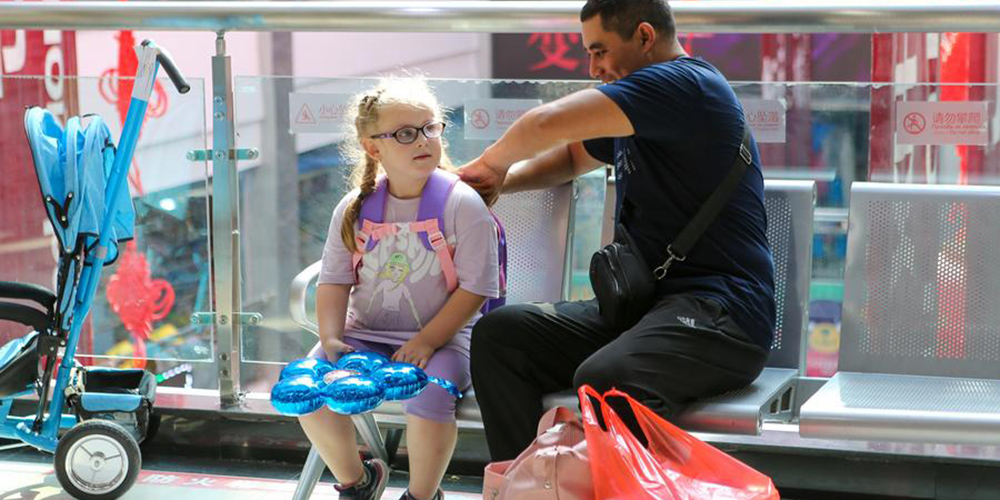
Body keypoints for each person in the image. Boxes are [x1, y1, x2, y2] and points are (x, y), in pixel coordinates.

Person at [460, 0, 775, 461]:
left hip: (723, 316)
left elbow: (545, 124)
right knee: (500, 337)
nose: (594, 68)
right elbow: (573, 156)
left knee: (609, 379)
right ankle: (526, 484)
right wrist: (499, 183)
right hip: (643, 308)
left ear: (645, 37)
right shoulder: (643, 107)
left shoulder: (687, 86)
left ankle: (634, 487)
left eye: (600, 50)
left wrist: (490, 163)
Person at [299, 78, 500, 500]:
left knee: (431, 398)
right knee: (310, 391)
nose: (423, 140)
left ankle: (422, 494)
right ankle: (358, 482)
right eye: (405, 134)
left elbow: (476, 289)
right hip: (364, 335)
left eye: (430, 128)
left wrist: (427, 341)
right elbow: (334, 279)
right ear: (373, 148)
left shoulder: (462, 205)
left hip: (447, 341)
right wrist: (331, 338)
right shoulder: (355, 207)